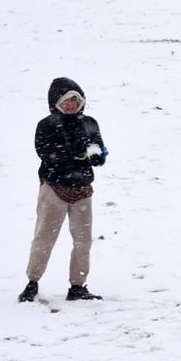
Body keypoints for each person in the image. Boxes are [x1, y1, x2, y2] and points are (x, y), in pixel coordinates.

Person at [18, 77, 107, 303]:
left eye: (75, 100)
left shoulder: (90, 123)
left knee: (83, 241)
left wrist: (97, 155)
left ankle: (77, 286)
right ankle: (32, 282)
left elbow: (97, 145)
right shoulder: (47, 125)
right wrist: (73, 153)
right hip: (54, 188)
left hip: (82, 190)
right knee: (44, 237)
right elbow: (45, 153)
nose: (71, 105)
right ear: (56, 102)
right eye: (66, 101)